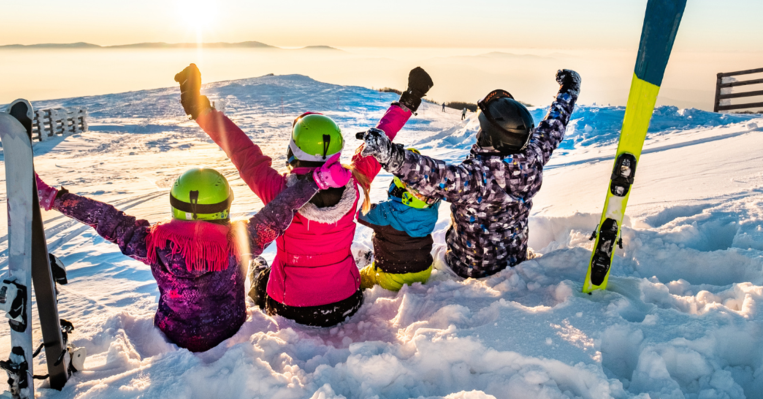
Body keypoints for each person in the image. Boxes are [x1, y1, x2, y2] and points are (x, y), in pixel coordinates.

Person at [175, 64, 433, 326]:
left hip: (290, 307)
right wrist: (409, 99)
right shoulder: (355, 184)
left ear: (294, 150)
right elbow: (380, 140)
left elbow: (242, 151)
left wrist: (199, 109)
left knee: (259, 270)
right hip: (346, 300)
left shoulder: (278, 193)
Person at [33, 161, 349, 352]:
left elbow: (105, 218)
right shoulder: (240, 241)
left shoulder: (153, 242)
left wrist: (54, 198)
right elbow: (280, 211)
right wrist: (315, 182)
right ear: (224, 205)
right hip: (229, 330)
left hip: (175, 334)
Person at [357, 70, 580, 279]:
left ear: (492, 137)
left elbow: (431, 175)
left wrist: (389, 154)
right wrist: (568, 90)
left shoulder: (476, 178)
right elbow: (553, 126)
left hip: (468, 268)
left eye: (482, 129)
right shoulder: (533, 156)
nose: (478, 132)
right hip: (515, 258)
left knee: (432, 259)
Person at [357, 148, 440, 291]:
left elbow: (360, 212)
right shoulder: (431, 209)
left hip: (391, 277)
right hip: (424, 271)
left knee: (360, 278)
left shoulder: (385, 212)